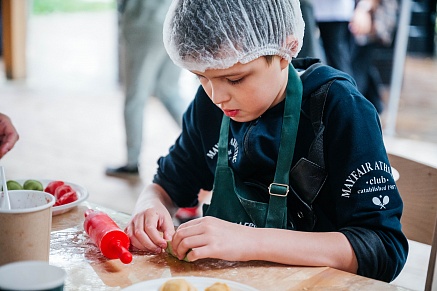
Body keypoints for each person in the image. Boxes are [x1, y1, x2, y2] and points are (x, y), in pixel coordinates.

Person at [125, 0, 408, 282]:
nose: (217, 96)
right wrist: (149, 207)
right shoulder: (210, 104)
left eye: (235, 79)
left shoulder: (339, 108)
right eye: (201, 77)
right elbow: (167, 185)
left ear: (286, 50)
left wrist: (251, 241)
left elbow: (383, 247)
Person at [105, 0, 190, 177]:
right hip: (175, 21)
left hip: (143, 22)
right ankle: (210, 141)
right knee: (168, 91)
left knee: (135, 97)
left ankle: (131, 163)